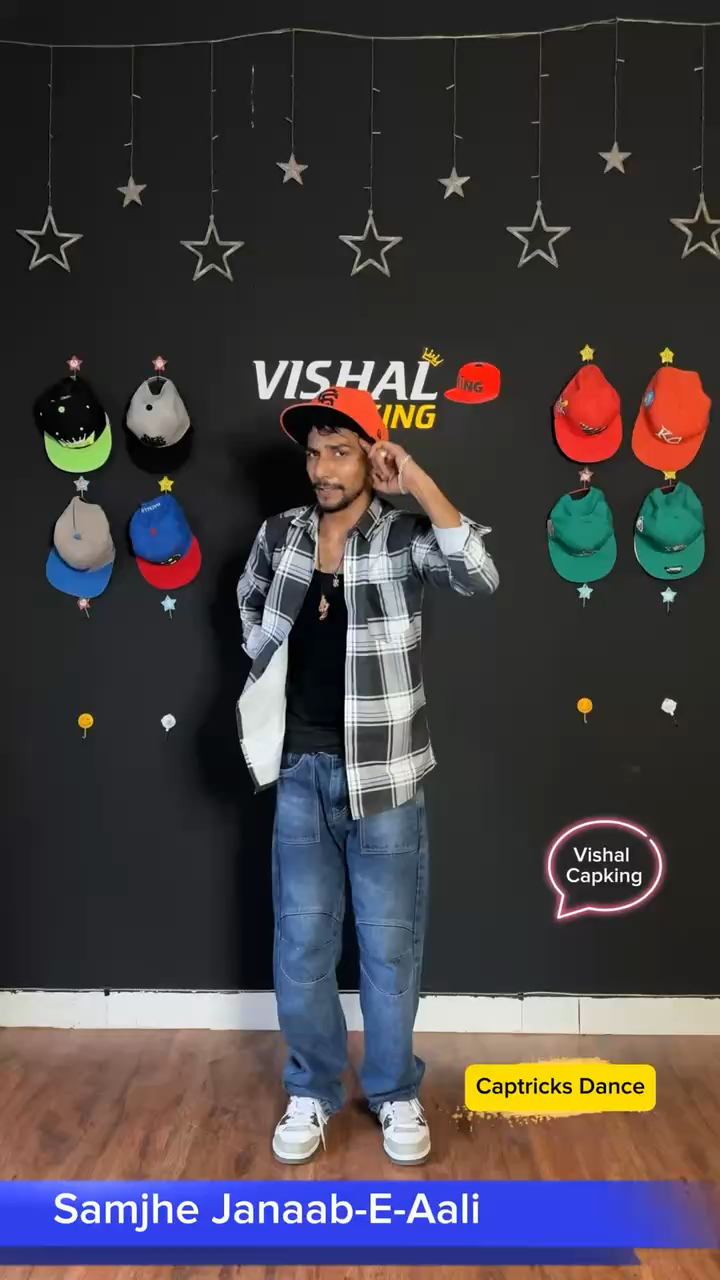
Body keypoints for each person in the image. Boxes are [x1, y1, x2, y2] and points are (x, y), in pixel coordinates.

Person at [236, 386, 498, 1166]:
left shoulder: (403, 537)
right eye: (314, 453)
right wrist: (267, 663)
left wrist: (413, 479)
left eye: (340, 452)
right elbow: (249, 603)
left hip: (384, 777)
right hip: (298, 773)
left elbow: (478, 572)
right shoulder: (279, 534)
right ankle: (313, 1090)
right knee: (301, 946)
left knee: (389, 951)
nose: (322, 468)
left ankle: (394, 1092)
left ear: (372, 456)